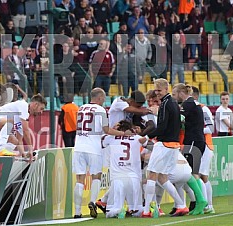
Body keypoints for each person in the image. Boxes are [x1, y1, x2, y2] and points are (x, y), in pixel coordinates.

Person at [73, 88, 133, 218]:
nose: (104, 101)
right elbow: (106, 130)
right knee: (96, 176)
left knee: (79, 179)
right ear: (99, 98)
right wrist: (122, 133)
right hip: (93, 148)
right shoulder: (100, 110)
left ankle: (77, 212)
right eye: (103, 98)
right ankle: (93, 202)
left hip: (78, 146)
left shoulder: (81, 108)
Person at [142, 78, 189, 217]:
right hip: (174, 145)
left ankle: (147, 211)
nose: (157, 93)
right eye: (156, 90)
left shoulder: (165, 104)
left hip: (164, 144)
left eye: (159, 90)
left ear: (166, 89)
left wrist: (147, 136)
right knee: (162, 177)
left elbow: (162, 127)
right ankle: (181, 205)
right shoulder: (174, 103)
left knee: (151, 174)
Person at [172, 83, 208, 215]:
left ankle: (201, 201)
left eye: (175, 94)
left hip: (193, 141)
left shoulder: (187, 105)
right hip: (197, 140)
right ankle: (201, 202)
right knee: (194, 172)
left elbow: (178, 119)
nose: (175, 98)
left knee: (191, 173)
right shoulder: (194, 104)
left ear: (182, 93)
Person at [0, 94, 47, 162]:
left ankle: (4, 158)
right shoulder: (23, 105)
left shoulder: (23, 117)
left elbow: (19, 140)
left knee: (15, 141)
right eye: (41, 109)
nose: (41, 112)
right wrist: (31, 149)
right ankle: (1, 150)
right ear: (36, 104)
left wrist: (24, 155)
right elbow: (26, 131)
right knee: (10, 122)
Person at [103, 120, 147, 218]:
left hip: (117, 178)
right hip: (134, 178)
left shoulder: (110, 138)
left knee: (111, 211)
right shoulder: (137, 138)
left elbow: (101, 141)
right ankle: (146, 209)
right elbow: (149, 145)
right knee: (138, 211)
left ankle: (119, 210)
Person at [192, 86, 215, 214]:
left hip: (206, 144)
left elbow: (211, 128)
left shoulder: (203, 108)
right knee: (201, 175)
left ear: (195, 96)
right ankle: (208, 205)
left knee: (201, 175)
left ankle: (208, 205)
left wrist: (197, 131)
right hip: (200, 144)